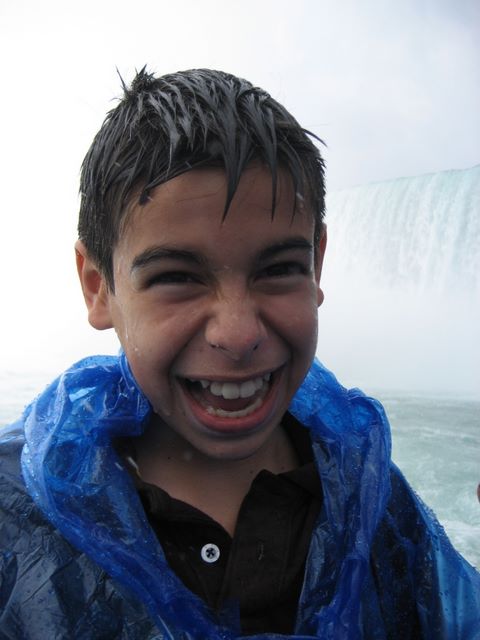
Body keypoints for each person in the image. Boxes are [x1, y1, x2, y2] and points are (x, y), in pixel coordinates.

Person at [0, 68, 479, 640]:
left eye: (279, 269)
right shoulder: (16, 517)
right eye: (177, 277)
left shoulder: (375, 503)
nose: (237, 333)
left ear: (317, 266)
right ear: (98, 287)